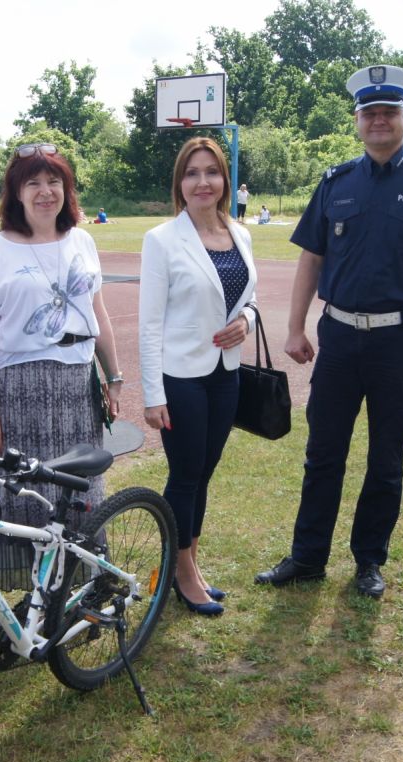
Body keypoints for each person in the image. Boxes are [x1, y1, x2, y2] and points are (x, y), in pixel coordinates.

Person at [256, 65, 403, 597]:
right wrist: (294, 326)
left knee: (387, 457)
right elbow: (312, 257)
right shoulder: (336, 182)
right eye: (368, 113)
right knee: (323, 453)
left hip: (402, 342)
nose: (378, 121)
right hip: (339, 336)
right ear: (357, 121)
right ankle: (307, 558)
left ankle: (368, 561)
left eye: (388, 112)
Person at [0, 143, 123, 589]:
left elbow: (99, 317)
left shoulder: (83, 240)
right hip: (19, 390)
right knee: (25, 492)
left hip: (78, 385)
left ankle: (82, 581)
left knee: (80, 490)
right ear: (16, 193)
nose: (45, 191)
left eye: (54, 181)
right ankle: (27, 588)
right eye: (32, 182)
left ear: (66, 188)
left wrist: (113, 379)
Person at [140, 137, 258, 616]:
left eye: (211, 171)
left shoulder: (240, 234)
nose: (203, 181)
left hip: (225, 376)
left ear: (224, 180)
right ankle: (180, 572)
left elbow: (249, 299)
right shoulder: (162, 240)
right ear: (180, 183)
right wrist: (153, 394)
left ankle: (188, 563)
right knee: (186, 475)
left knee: (203, 473)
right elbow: (149, 322)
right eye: (192, 173)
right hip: (180, 376)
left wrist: (246, 321)